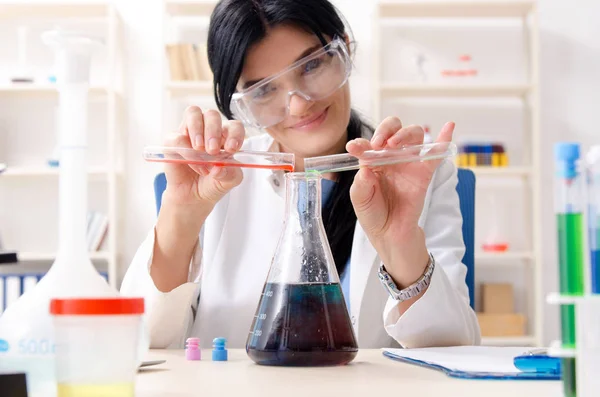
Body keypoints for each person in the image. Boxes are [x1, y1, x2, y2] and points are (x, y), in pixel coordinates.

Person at [121, 0, 481, 350]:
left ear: (346, 50)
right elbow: (134, 342)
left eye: (311, 66)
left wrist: (401, 246)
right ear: (239, 104)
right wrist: (180, 218)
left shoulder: (417, 176)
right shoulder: (217, 178)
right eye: (263, 89)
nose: (298, 104)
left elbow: (455, 348)